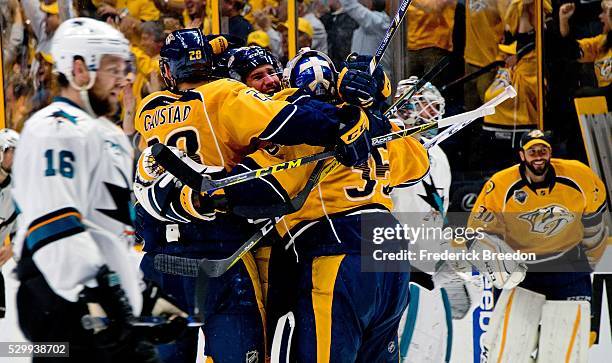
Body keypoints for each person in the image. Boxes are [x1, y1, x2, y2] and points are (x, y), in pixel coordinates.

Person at [133, 28, 376, 362]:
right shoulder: (226, 96)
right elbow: (287, 116)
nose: (268, 83)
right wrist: (346, 119)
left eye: (270, 74)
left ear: (167, 71)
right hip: (230, 255)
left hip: (162, 260)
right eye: (256, 77)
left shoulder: (148, 109)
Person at [12, 18, 186, 363]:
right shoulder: (54, 131)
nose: (125, 79)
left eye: (124, 68)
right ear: (79, 69)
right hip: (61, 300)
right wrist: (93, 295)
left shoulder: (107, 135)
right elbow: (54, 223)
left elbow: (108, 232)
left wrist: (141, 295)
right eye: (112, 68)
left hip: (100, 300)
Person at [467, 129, 608, 300]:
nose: (538, 156)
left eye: (543, 150)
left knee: (569, 327)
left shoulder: (580, 176)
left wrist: (586, 264)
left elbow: (594, 223)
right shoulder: (500, 185)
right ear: (522, 155)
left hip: (568, 270)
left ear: (550, 152)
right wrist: (496, 266)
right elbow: (477, 232)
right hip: (520, 274)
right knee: (515, 328)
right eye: (532, 152)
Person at [0, 129, 19, 320]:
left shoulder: (16, 191)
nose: (15, 156)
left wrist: (12, 248)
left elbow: (21, 228)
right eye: (11, 150)